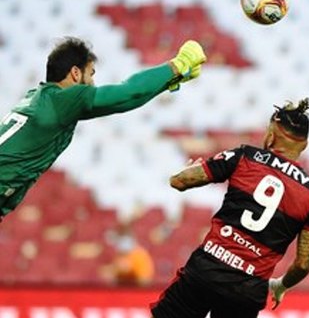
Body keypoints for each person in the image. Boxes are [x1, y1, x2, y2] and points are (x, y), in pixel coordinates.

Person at [72, 98, 309, 318]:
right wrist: (280, 285)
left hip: (206, 268)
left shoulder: (245, 156)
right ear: (304, 144)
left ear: (271, 132)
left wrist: (187, 168)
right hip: (249, 284)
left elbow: (180, 182)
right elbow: (304, 263)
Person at [0, 36, 206, 221]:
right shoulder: (63, 100)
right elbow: (128, 94)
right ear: (75, 73)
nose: (92, 83)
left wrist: (175, 78)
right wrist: (177, 66)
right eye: (90, 74)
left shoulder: (38, 97)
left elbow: (131, 97)